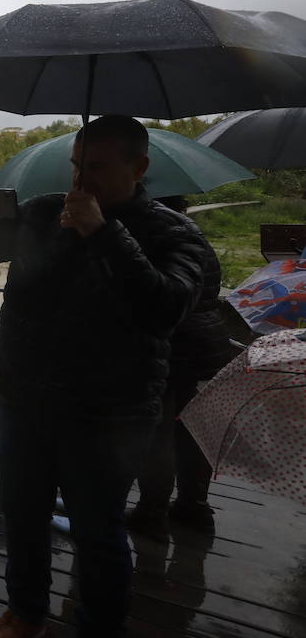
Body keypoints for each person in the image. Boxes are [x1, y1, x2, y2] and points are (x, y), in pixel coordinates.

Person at [0, 115, 208, 638]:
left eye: (99, 169)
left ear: (139, 167)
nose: (83, 181)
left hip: (108, 412)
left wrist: (103, 234)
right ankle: (26, 611)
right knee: (23, 515)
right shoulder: (43, 213)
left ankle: (99, 628)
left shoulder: (173, 233)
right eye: (78, 166)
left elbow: (164, 307)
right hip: (23, 397)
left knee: (98, 530)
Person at [127, 195, 249, 540]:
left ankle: (152, 510)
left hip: (173, 348)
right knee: (193, 430)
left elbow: (156, 298)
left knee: (159, 434)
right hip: (209, 347)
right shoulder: (198, 238)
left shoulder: (158, 240)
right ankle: (194, 506)